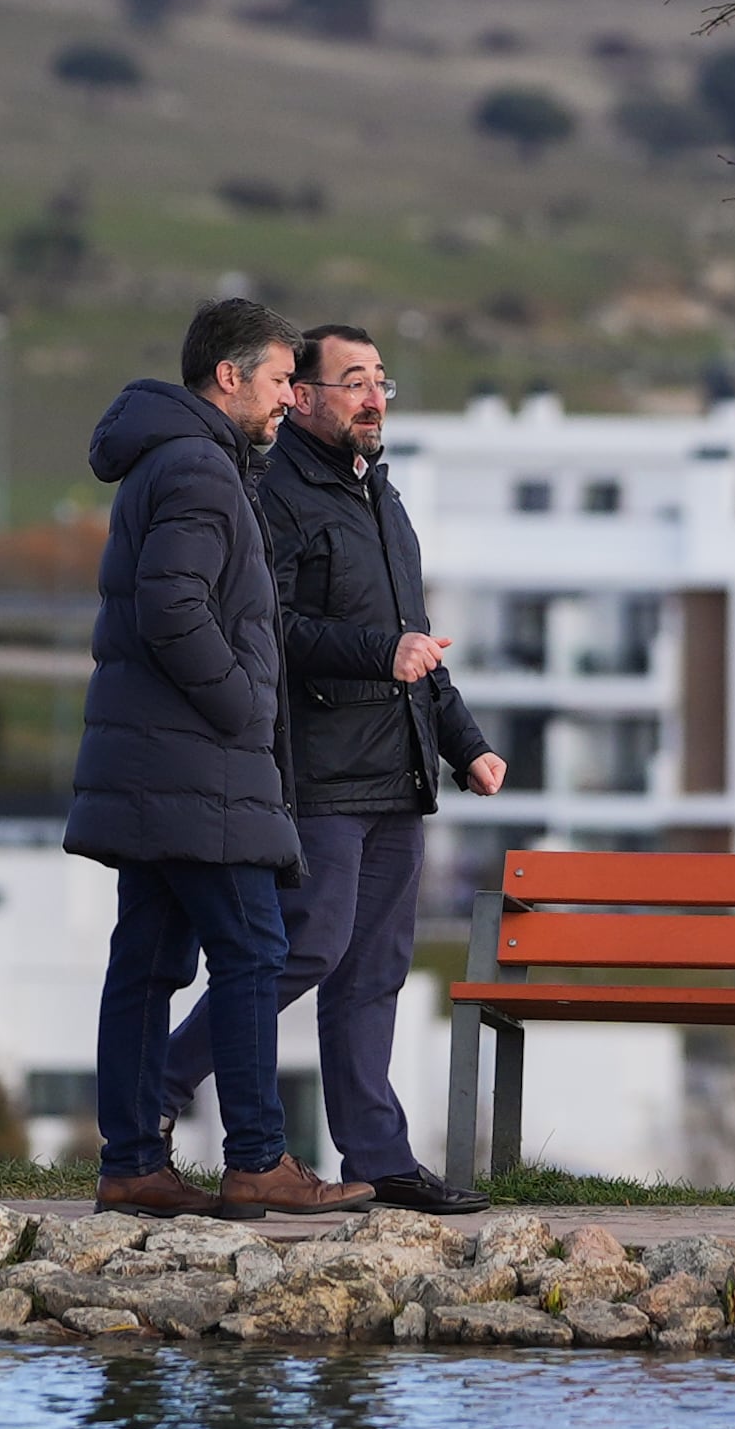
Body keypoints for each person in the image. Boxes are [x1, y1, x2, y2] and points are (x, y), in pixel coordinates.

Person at [157, 321, 505, 1213]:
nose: (373, 397)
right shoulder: (274, 496)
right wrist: (376, 652)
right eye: (353, 381)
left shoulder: (381, 499)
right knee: (305, 947)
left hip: (398, 773)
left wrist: (464, 743)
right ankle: (160, 1086)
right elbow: (270, 630)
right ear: (300, 396)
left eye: (381, 381)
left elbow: (415, 642)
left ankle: (379, 1160)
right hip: (315, 771)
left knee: (375, 971)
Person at [67, 297, 372, 1217]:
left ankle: (130, 1163)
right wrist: (244, 704)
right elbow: (172, 605)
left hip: (154, 764)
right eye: (282, 379)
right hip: (198, 765)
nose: (289, 398)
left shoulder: (173, 458)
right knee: (252, 949)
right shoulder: (202, 468)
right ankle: (258, 1158)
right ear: (228, 378)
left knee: (148, 963)